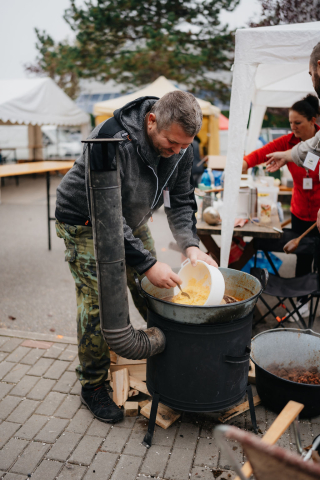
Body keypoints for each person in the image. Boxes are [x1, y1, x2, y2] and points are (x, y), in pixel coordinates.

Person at [55, 91, 217, 424]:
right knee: (100, 303)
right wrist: (145, 263)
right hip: (85, 219)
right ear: (151, 120)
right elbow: (105, 215)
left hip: (129, 219)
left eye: (183, 147)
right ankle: (93, 384)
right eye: (171, 143)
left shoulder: (180, 147)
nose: (176, 152)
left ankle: (164, 353)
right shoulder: (111, 140)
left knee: (154, 289)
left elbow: (181, 200)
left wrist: (191, 245)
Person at [243, 94, 320, 301]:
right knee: (302, 258)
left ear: (313, 120)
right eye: (290, 123)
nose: (293, 127)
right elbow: (262, 154)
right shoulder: (288, 142)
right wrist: (242, 164)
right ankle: (302, 300)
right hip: (300, 212)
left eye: (298, 123)